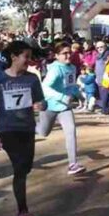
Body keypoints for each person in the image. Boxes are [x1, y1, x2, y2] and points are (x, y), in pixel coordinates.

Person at [0, 41, 45, 216]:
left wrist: (41, 105)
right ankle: (23, 212)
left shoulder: (32, 79)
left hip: (27, 128)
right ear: (14, 57)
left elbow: (41, 100)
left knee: (26, 166)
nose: (29, 61)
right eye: (26, 56)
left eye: (30, 57)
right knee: (20, 168)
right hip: (8, 128)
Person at [36, 42, 86, 176]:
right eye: (64, 53)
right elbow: (44, 87)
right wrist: (62, 97)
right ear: (57, 56)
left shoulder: (72, 68)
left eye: (69, 52)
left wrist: (80, 96)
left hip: (65, 108)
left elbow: (71, 85)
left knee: (71, 131)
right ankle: (29, 125)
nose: (68, 55)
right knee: (43, 132)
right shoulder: (55, 69)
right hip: (50, 106)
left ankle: (73, 164)